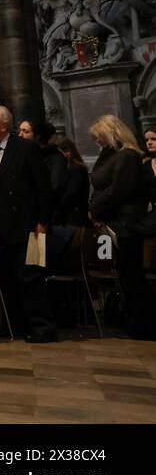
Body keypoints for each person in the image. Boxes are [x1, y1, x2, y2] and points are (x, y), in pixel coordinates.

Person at [0, 106, 55, 343]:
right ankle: (13, 323)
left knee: (30, 277)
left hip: (27, 225)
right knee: (5, 278)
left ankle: (41, 327)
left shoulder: (25, 148)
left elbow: (43, 189)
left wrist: (42, 223)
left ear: (4, 126)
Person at [89, 115, 156, 340]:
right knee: (119, 272)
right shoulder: (111, 156)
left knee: (132, 274)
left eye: (100, 138)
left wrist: (95, 208)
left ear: (111, 134)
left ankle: (141, 323)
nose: (98, 143)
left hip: (125, 224)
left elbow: (118, 190)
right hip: (110, 223)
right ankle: (126, 318)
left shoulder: (127, 157)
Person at [52, 135, 90, 227]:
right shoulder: (65, 169)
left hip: (73, 220)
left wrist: (55, 208)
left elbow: (71, 195)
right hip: (67, 218)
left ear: (67, 152)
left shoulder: (77, 169)